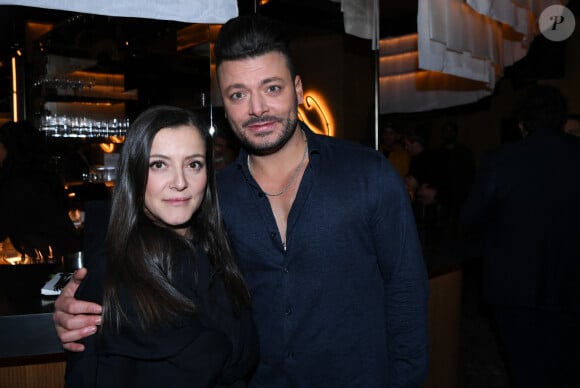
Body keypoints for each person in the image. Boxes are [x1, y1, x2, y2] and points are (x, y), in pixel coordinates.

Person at [53, 14, 429, 387]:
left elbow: (407, 297)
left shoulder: (368, 175)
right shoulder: (210, 197)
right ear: (224, 102)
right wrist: (83, 306)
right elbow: (151, 258)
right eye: (238, 94)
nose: (257, 109)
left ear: (298, 90)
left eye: (272, 88)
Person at [64, 105, 258, 387]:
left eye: (193, 164)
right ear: (135, 173)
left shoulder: (217, 250)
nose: (180, 182)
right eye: (159, 165)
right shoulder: (115, 271)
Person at [461, 85, 580, 388]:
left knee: (524, 367)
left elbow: (471, 219)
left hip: (513, 287)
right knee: (566, 365)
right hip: (570, 283)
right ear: (561, 120)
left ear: (522, 123)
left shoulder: (499, 159)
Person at [0, 121, 81, 260]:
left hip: (49, 266)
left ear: (11, 149)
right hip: (66, 261)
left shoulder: (17, 186)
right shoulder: (44, 179)